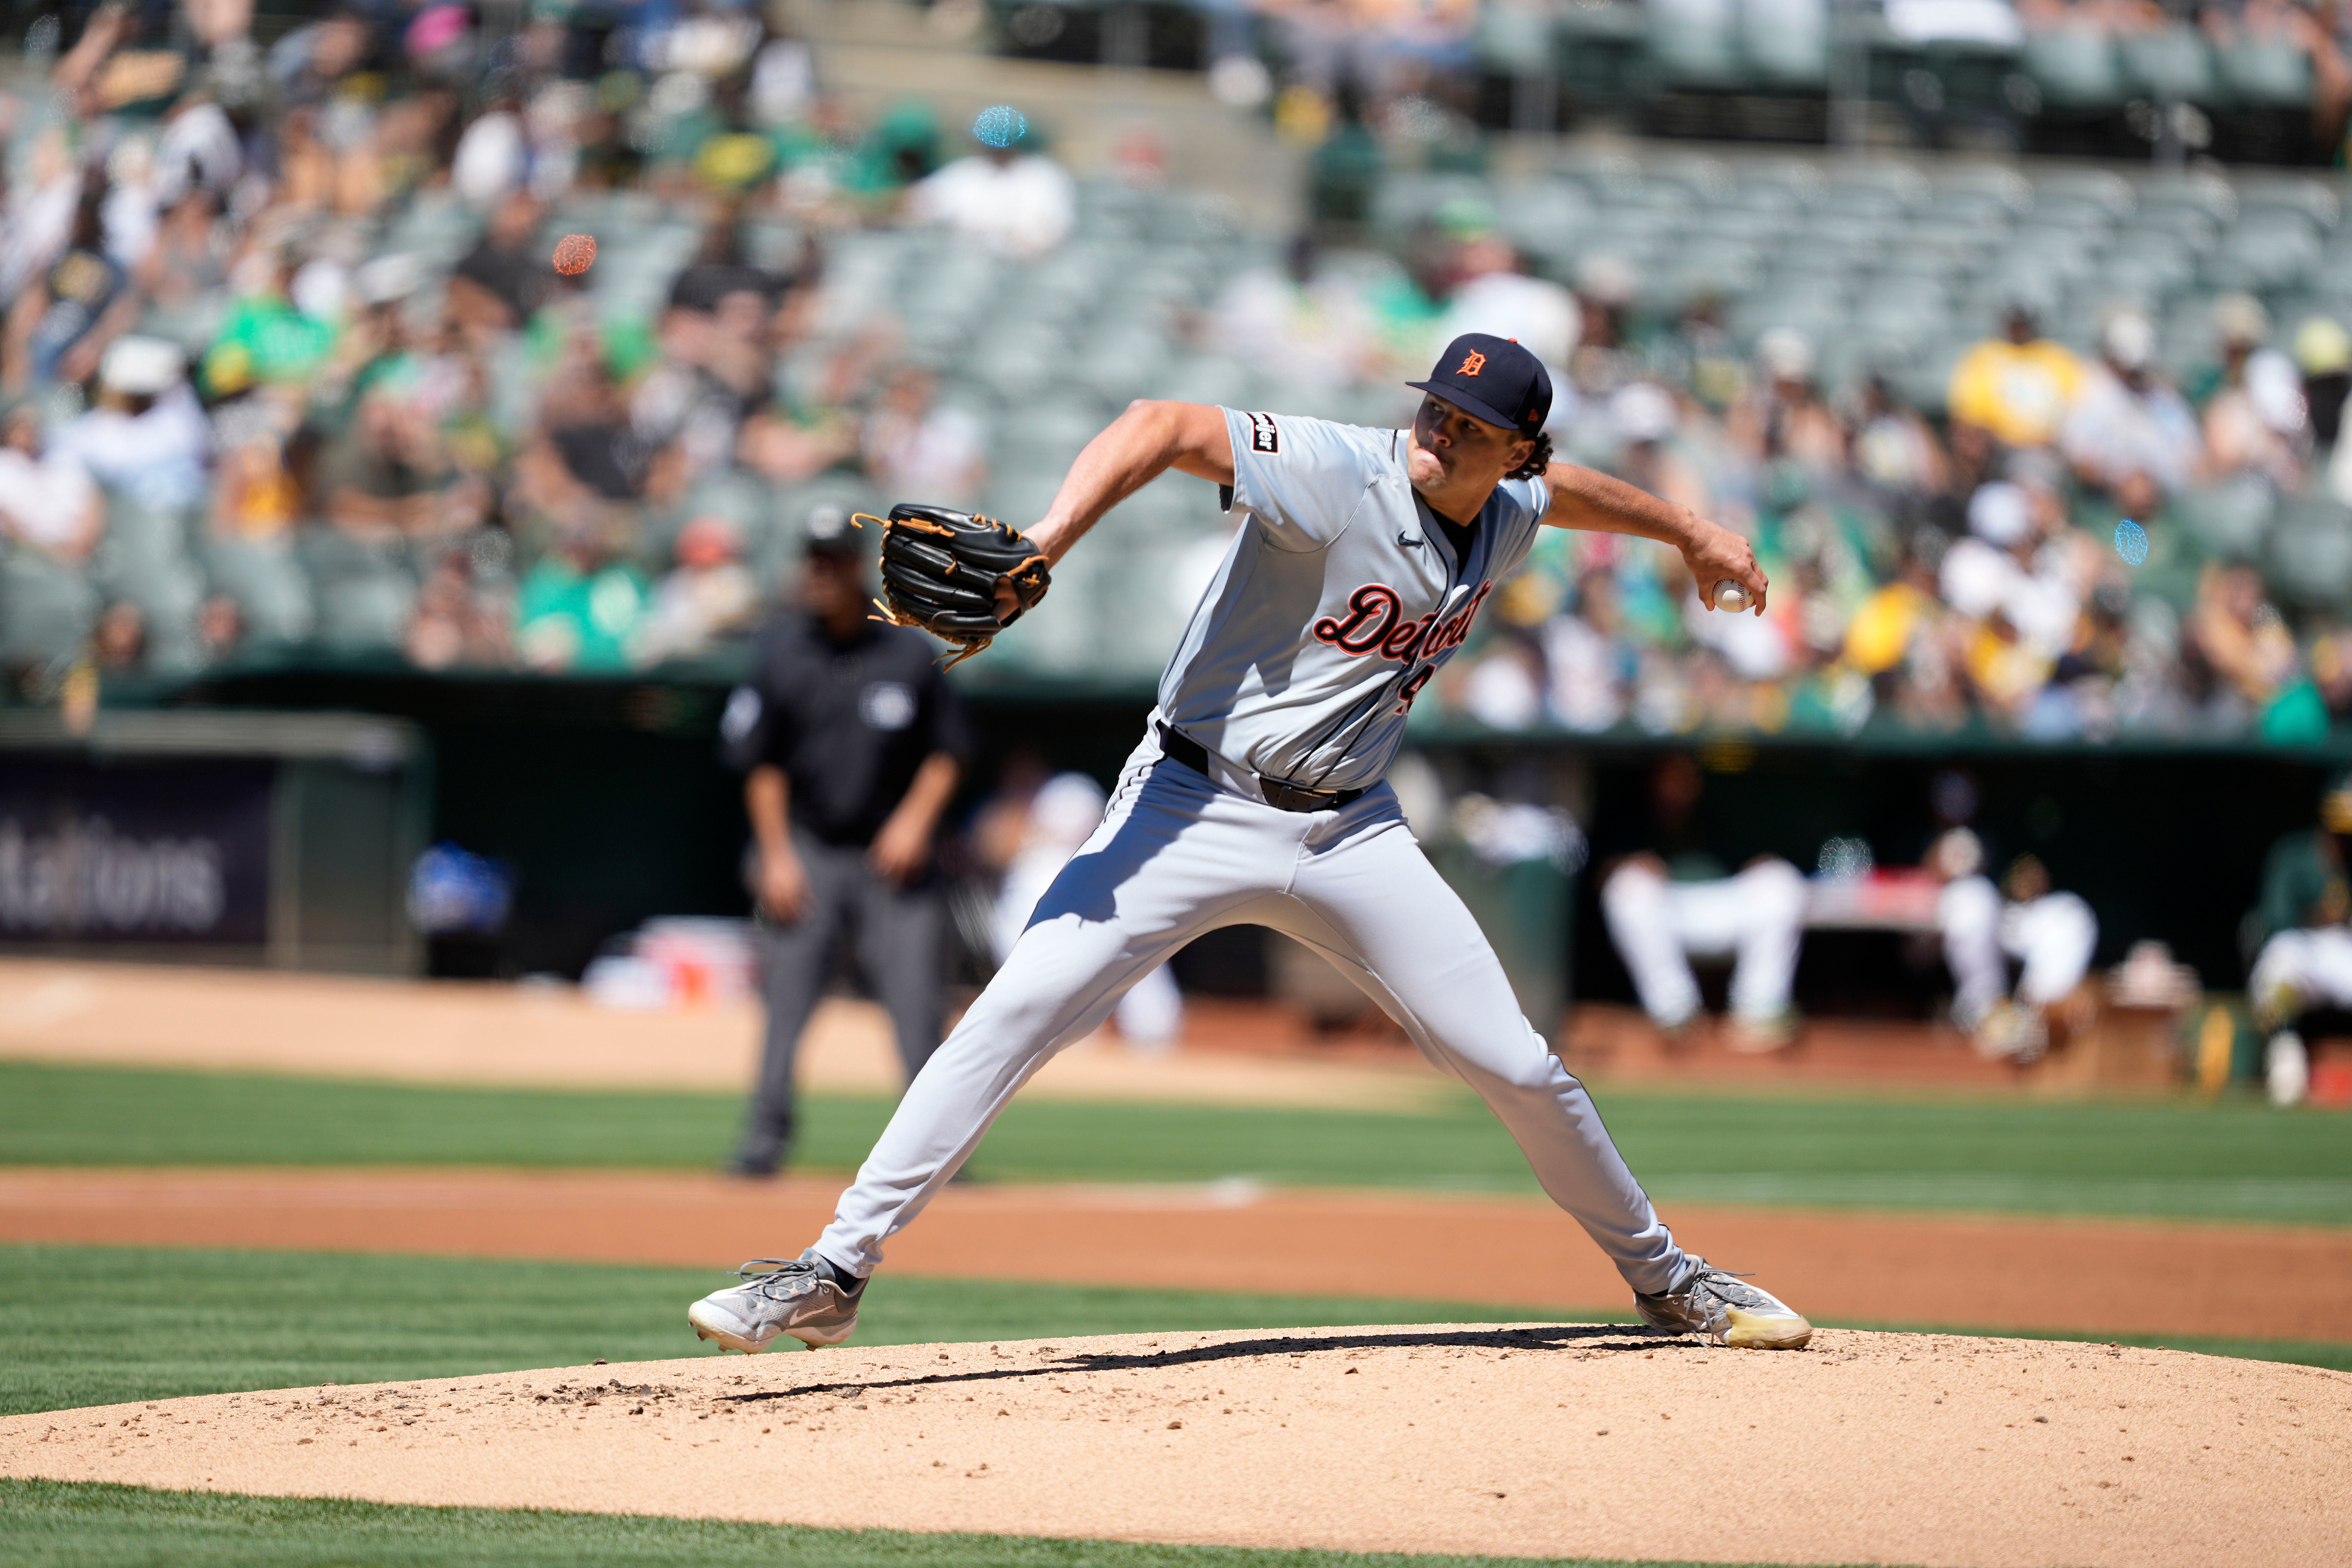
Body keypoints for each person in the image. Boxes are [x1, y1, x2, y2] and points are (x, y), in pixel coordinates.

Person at [687, 332, 1815, 1353]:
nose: (1440, 432)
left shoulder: (1512, 512)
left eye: (1472, 428)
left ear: (1514, 449)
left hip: (1349, 831)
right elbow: (1161, 424)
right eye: (1435, 409)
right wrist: (1047, 539)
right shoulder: (1341, 472)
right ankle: (834, 1269)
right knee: (1015, 1010)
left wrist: (1694, 531)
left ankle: (1671, 1282)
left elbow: (1566, 492)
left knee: (1519, 1065)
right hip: (1191, 800)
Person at [717, 510, 973, 1176]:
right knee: (785, 1003)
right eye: (813, 559)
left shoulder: (906, 649)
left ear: (859, 567)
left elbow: (948, 751)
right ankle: (762, 1142)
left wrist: (916, 820)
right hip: (809, 847)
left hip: (893, 858)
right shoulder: (780, 649)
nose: (820, 573)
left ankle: (937, 1154)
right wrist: (775, 854)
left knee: (918, 1007)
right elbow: (760, 761)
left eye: (833, 560)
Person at [1596, 754, 1808, 1054]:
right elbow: (1599, 875)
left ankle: (1760, 1012)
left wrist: (1755, 862)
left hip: (1721, 905)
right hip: (1665, 911)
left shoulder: (1719, 812)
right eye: (1669, 779)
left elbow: (1755, 858)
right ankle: (1675, 1014)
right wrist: (1628, 862)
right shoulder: (1629, 818)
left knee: (1781, 881)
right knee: (1628, 887)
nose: (1677, 788)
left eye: (1686, 779)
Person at [1927, 828, 2099, 1063]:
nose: (2027, 885)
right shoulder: (1982, 897)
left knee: (1993, 1034)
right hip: (2002, 997)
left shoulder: (2053, 911)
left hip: (2014, 999)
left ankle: (2005, 1036)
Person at [2246, 772, 2352, 1106]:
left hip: (2344, 952)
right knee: (2277, 964)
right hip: (2304, 948)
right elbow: (2275, 920)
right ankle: (2285, 1050)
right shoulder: (2295, 855)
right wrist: (2322, 915)